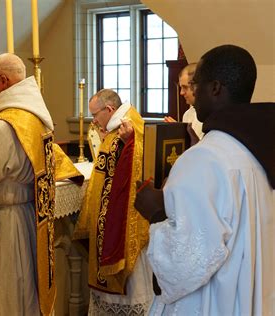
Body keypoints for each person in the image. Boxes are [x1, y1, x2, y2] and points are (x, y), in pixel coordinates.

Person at [135, 45, 274, 315]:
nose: (192, 93)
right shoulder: (260, 149)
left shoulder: (204, 159)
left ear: (216, 88)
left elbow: (187, 262)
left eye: (196, 84)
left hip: (213, 303)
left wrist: (155, 213)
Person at [0, 53, 80, 316]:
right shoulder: (34, 119)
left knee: (3, 295)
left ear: (3, 81)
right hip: (30, 219)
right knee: (26, 292)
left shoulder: (3, 126)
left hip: (4, 227)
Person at [74, 89, 153, 315]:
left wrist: (130, 143)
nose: (94, 120)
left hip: (124, 219)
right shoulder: (112, 128)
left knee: (132, 285)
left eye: (95, 114)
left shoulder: (130, 126)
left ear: (109, 110)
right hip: (108, 216)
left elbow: (140, 164)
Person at [164, 63, 204, 142]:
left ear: (197, 86)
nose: (181, 93)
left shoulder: (214, 116)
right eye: (181, 87)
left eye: (185, 87)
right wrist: (178, 130)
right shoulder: (187, 114)